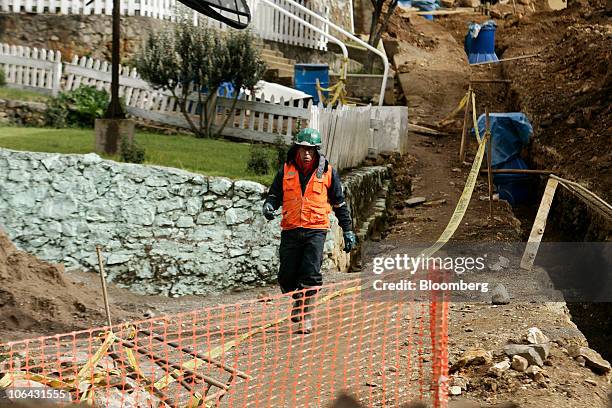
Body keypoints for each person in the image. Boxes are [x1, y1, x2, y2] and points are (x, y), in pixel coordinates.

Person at [262, 128, 357, 334]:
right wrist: (269, 206)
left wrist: (347, 230)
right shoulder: (286, 170)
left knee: (311, 274)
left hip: (316, 229)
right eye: (303, 149)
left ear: (316, 151)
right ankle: (297, 299)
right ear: (297, 148)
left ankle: (306, 316)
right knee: (286, 277)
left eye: (311, 150)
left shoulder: (328, 172)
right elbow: (274, 195)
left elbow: (339, 204)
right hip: (291, 229)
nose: (307, 154)